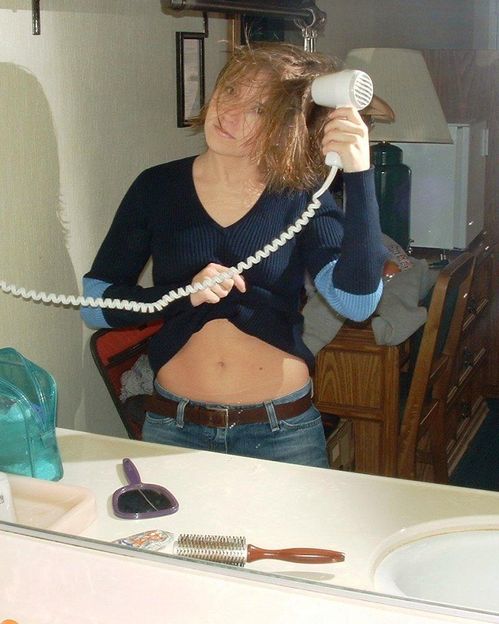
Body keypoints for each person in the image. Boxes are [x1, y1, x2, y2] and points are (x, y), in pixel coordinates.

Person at [81, 42, 389, 468]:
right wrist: (182, 294)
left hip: (281, 432)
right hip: (174, 426)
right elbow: (94, 304)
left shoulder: (303, 195)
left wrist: (359, 175)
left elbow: (357, 303)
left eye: (258, 109)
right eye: (230, 92)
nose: (229, 114)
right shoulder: (156, 187)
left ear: (285, 124)